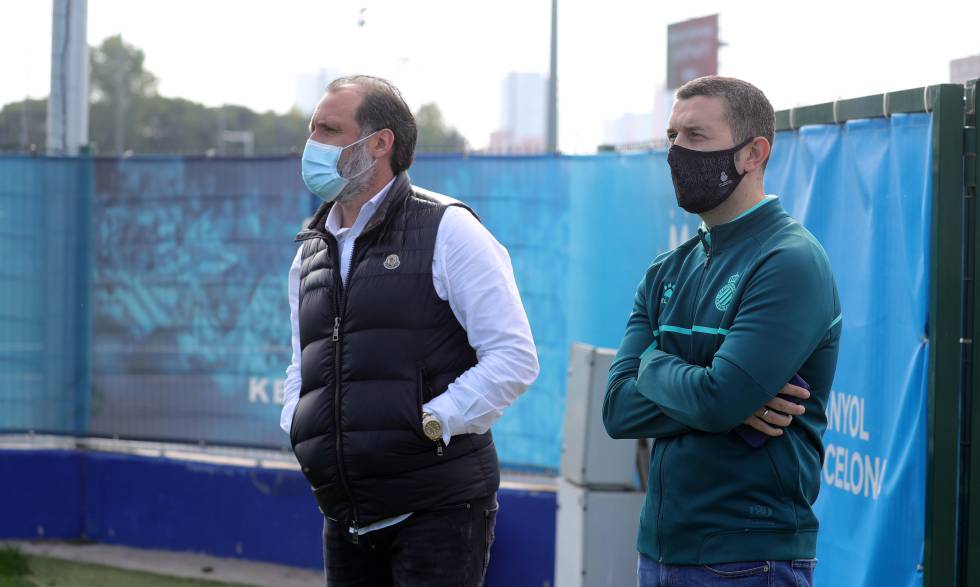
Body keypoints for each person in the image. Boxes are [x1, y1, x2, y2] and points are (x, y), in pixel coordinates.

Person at [279, 75, 539, 586]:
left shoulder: (449, 229)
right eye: (312, 131)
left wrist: (434, 420)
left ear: (380, 144)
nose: (312, 145)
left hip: (438, 510)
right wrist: (296, 420)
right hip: (346, 513)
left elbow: (513, 357)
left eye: (329, 130)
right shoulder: (310, 249)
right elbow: (302, 362)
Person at [603, 76, 842, 587]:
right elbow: (617, 409)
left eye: (695, 137)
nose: (675, 153)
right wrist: (713, 395)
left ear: (753, 153)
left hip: (750, 559)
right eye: (671, 136)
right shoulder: (666, 270)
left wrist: (656, 366)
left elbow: (717, 400)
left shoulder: (788, 261)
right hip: (659, 552)